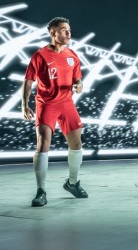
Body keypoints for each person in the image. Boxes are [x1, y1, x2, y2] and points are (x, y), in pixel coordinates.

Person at [21, 17, 88, 207]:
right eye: (63, 30)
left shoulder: (72, 56)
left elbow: (78, 80)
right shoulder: (40, 55)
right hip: (47, 104)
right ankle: (41, 191)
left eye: (69, 29)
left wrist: (80, 85)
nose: (68, 33)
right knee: (43, 145)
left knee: (76, 144)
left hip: (66, 103)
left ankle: (72, 183)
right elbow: (28, 81)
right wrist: (24, 104)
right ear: (53, 33)